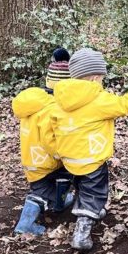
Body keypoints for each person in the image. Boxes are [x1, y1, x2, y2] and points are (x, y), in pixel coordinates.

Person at [51, 48, 128, 250]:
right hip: (92, 159)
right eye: (102, 77)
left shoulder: (60, 98)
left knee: (82, 185)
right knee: (95, 192)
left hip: (69, 158)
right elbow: (125, 105)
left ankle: (90, 208)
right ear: (95, 77)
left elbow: (52, 124)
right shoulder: (98, 98)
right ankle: (82, 232)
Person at [11, 47, 75, 235]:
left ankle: (59, 202)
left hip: (32, 159)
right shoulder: (51, 109)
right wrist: (63, 154)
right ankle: (25, 225)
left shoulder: (34, 104)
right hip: (46, 162)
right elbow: (50, 140)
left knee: (50, 185)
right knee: (41, 191)